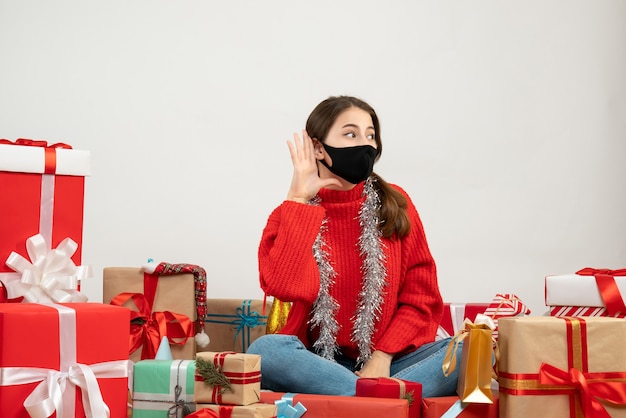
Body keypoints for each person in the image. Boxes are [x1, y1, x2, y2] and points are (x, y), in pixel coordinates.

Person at [247, 95, 460, 397]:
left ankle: (364, 401)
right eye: (351, 134)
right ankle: (383, 402)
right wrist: (298, 200)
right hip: (318, 366)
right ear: (318, 147)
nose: (365, 144)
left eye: (370, 135)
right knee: (266, 350)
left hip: (391, 365)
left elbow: (421, 299)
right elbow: (285, 287)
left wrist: (382, 357)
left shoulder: (396, 203)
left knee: (471, 350)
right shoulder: (290, 213)